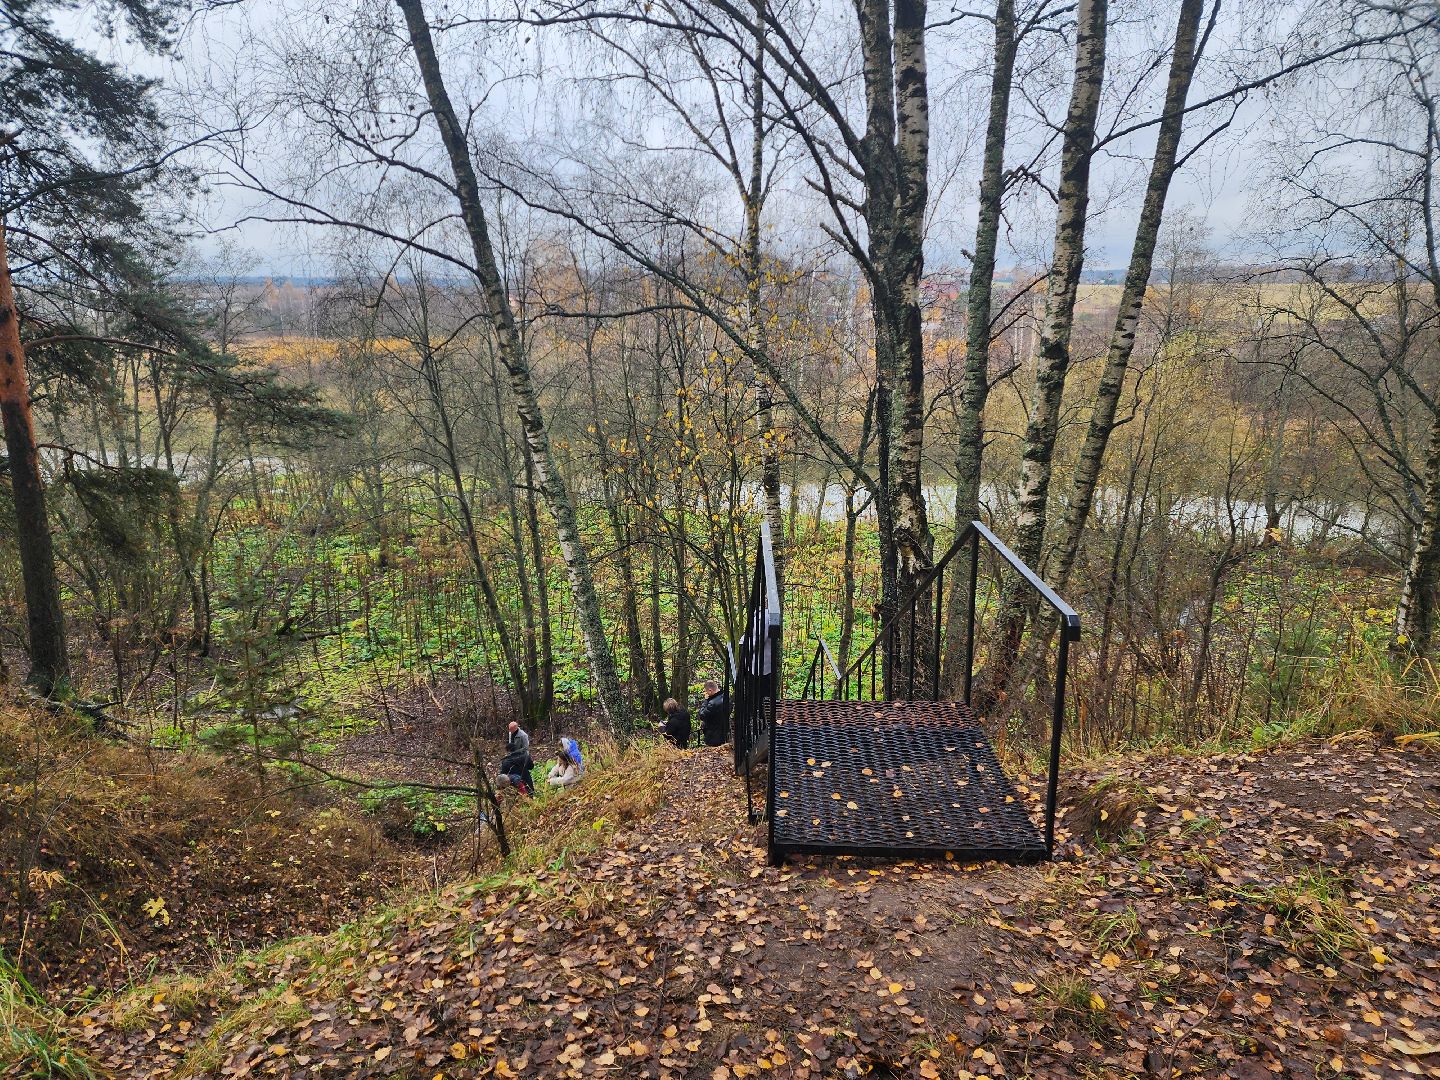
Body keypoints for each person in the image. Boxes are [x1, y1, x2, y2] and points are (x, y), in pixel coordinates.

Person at [697, 679, 730, 747]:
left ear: (710, 690)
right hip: (724, 732)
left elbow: (702, 715)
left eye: (706, 692)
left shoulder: (712, 703)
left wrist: (705, 701)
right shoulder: (726, 697)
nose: (706, 694)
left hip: (713, 736)